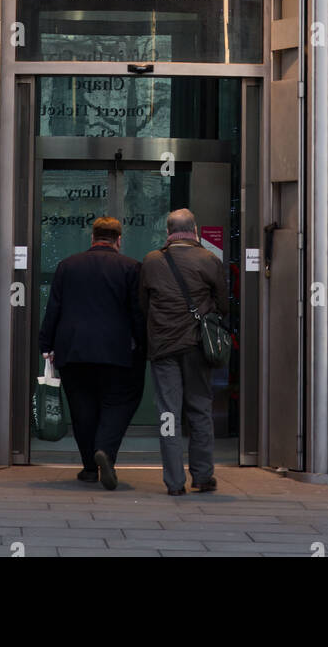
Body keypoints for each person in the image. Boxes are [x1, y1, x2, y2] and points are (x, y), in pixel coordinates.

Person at [39, 215, 145, 490]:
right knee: (120, 401)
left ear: (92, 237)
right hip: (117, 351)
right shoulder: (131, 268)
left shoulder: (67, 266)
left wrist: (45, 345)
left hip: (73, 350)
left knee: (82, 407)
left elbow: (54, 309)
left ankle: (89, 468)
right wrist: (144, 345)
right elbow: (138, 312)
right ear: (119, 240)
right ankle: (105, 452)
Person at [139, 207, 229, 496]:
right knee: (200, 409)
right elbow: (223, 305)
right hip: (197, 347)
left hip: (163, 348)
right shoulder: (209, 259)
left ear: (167, 232)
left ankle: (174, 482)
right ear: (195, 231)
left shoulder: (152, 261)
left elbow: (143, 304)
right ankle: (202, 477)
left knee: (169, 414)